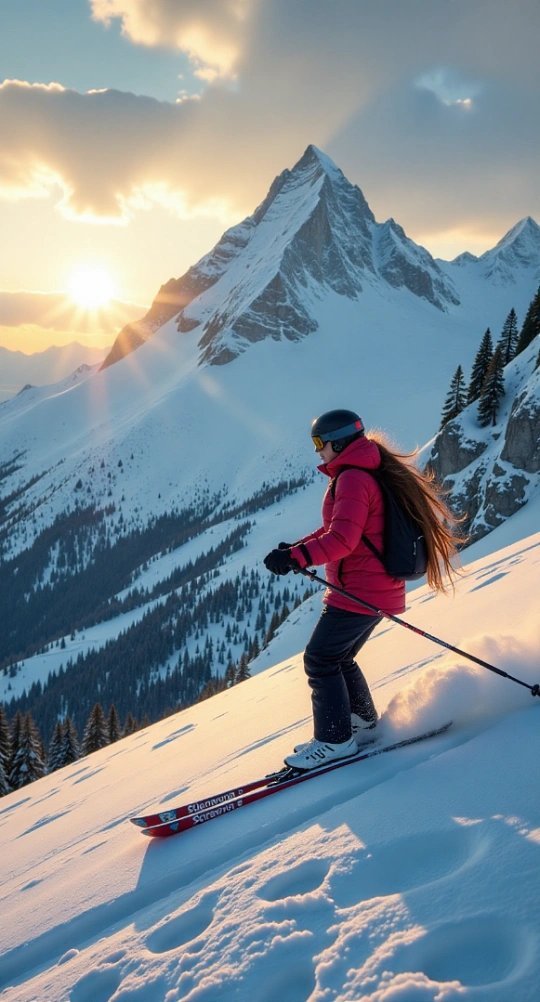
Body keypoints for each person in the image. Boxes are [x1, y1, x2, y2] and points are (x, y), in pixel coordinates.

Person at [263, 408, 462, 771]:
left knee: (320, 659)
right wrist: (295, 549)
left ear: (338, 443)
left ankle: (335, 740)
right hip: (372, 589)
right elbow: (337, 529)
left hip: (361, 590)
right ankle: (361, 724)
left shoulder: (353, 478)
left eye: (320, 443)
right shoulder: (361, 471)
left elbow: (342, 540)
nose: (317, 450)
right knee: (339, 657)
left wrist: (297, 557)